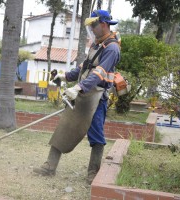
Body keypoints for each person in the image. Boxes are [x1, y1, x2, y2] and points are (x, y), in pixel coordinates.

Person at [33, 9, 121, 185]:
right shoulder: (96, 45)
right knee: (64, 126)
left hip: (96, 97)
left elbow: (98, 73)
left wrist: (79, 87)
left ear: (103, 24)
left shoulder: (112, 48)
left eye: (93, 26)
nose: (92, 30)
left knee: (96, 135)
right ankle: (50, 166)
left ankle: (93, 173)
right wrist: (65, 76)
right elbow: (84, 68)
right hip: (82, 93)